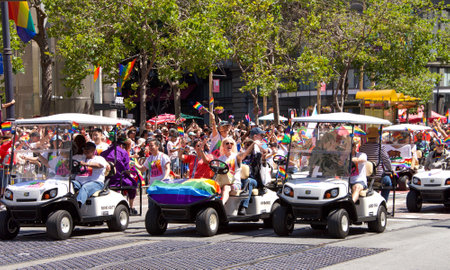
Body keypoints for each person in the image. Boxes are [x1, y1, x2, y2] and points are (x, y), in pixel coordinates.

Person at [101, 134, 138, 214]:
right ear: (121, 145)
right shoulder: (123, 153)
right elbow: (127, 169)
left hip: (106, 180)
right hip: (120, 179)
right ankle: (131, 207)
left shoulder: (103, 153)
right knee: (133, 185)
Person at [217, 137, 255, 213]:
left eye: (231, 143)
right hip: (222, 182)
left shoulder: (236, 157)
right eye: (227, 143)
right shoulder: (220, 158)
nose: (229, 145)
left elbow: (244, 154)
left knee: (226, 188)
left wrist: (253, 144)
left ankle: (220, 207)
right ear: (223, 146)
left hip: (235, 184)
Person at [359, 127, 393, 202]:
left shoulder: (362, 147)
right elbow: (386, 161)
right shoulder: (380, 147)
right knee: (388, 182)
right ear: (377, 137)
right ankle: (384, 201)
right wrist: (391, 169)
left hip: (365, 176)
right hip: (378, 176)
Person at [72, 142, 109, 207]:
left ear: (93, 150)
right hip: (79, 182)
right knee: (69, 184)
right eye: (84, 148)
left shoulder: (99, 158)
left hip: (96, 183)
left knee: (85, 187)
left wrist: (86, 164)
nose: (85, 150)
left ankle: (77, 206)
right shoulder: (80, 158)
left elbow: (99, 165)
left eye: (88, 149)